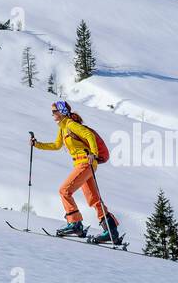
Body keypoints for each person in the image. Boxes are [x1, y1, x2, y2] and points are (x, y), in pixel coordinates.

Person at [31, 100, 122, 241]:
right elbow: (56, 145)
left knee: (64, 191)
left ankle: (75, 223)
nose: (52, 114)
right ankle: (111, 231)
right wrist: (37, 144)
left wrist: (93, 153)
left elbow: (89, 135)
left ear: (62, 111)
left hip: (86, 162)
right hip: (82, 164)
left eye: (54, 111)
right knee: (94, 200)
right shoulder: (62, 128)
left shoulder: (70, 125)